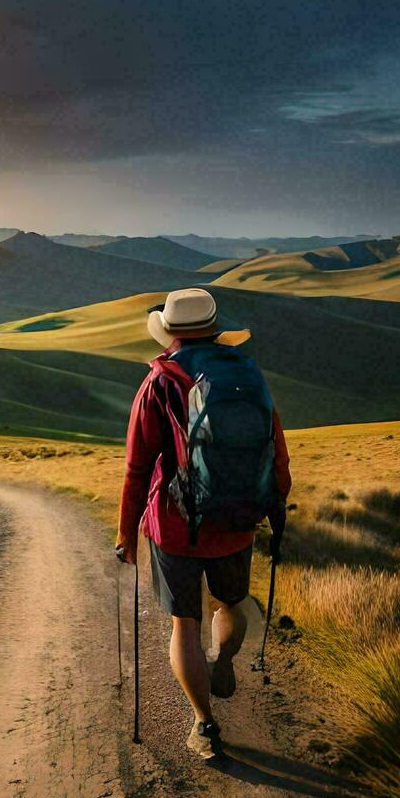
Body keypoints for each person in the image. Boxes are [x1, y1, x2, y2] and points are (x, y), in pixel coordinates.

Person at [115, 288, 291, 759]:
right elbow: (276, 446)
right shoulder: (246, 376)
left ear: (169, 333)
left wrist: (125, 533)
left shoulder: (160, 381)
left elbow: (137, 467)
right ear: (215, 329)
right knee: (233, 603)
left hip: (175, 526)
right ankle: (224, 657)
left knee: (184, 624)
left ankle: (204, 725)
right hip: (237, 519)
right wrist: (273, 508)